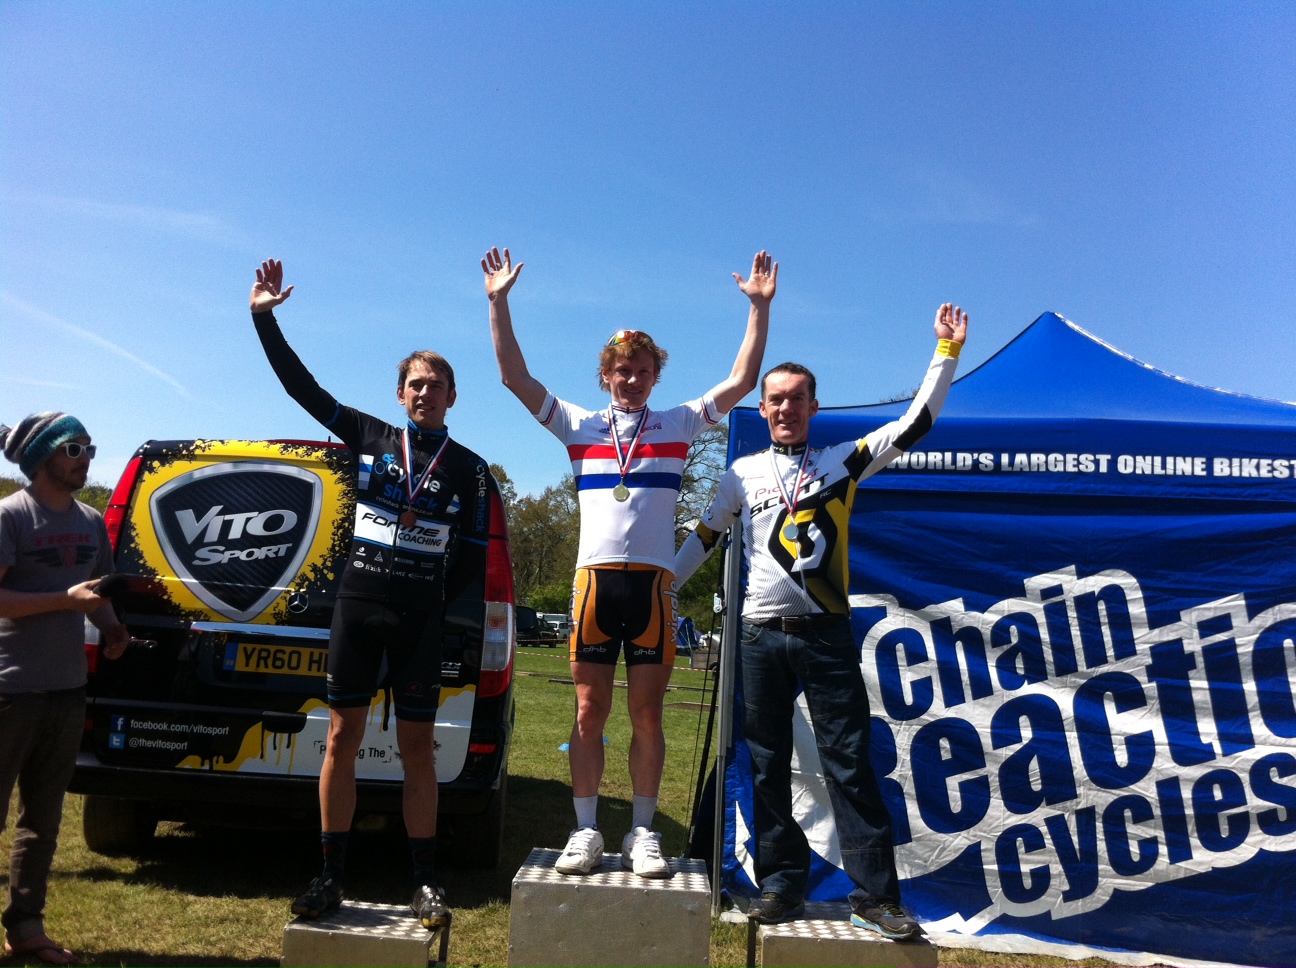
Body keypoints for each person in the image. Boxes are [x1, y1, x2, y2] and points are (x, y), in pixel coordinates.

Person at [673, 303, 968, 938]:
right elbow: (704, 536)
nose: (782, 409)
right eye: (773, 400)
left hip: (827, 635)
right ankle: (781, 886)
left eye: (794, 400)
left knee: (849, 763)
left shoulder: (842, 462)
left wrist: (945, 354)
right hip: (758, 636)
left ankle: (877, 897)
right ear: (764, 407)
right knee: (765, 763)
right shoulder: (741, 474)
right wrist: (661, 585)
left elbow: (916, 422)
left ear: (813, 406)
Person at [483, 246, 776, 878]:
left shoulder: (676, 423)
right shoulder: (581, 425)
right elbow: (514, 377)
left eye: (641, 369)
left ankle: (643, 831)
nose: (631, 379)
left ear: (654, 375)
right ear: (606, 376)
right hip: (593, 587)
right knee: (589, 710)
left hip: (652, 589)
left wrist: (758, 309)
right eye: (621, 370)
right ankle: (586, 829)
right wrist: (498, 302)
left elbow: (743, 381)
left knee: (648, 713)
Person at [250, 259, 495, 929]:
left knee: (420, 751)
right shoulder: (368, 437)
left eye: (437, 386)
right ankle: (330, 873)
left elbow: (471, 562)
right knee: (340, 743)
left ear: (453, 397)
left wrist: (447, 622)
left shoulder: (470, 471)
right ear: (399, 394)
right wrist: (264, 319)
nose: (425, 394)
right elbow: (303, 388)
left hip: (420, 620)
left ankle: (425, 880)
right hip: (359, 610)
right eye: (416, 385)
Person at [1, 413, 129, 966]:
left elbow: (94, 593)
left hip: (66, 690)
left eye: (90, 447)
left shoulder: (92, 521)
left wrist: (115, 629)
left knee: (44, 819)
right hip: (11, 691)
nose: (86, 457)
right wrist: (65, 602)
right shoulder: (10, 515)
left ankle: (27, 928)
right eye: (75, 448)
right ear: (44, 456)